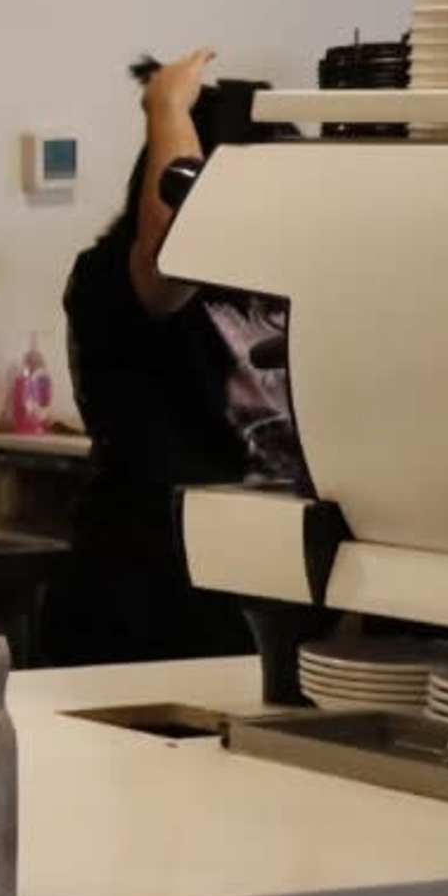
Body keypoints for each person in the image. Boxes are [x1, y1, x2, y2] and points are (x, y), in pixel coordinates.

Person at [40, 51, 300, 666]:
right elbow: (173, 251)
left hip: (266, 587)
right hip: (150, 601)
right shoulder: (115, 280)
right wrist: (167, 109)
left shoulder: (287, 283)